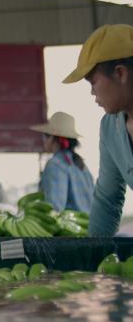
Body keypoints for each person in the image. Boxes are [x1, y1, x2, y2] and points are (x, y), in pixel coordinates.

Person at [61, 23, 133, 236]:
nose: (92, 93)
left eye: (93, 82)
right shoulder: (111, 128)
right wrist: (94, 255)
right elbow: (108, 200)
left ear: (120, 74)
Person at [29, 112, 94, 212]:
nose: (44, 140)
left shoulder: (55, 165)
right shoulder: (80, 164)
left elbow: (54, 208)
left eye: (46, 135)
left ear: (55, 138)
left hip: (70, 226)